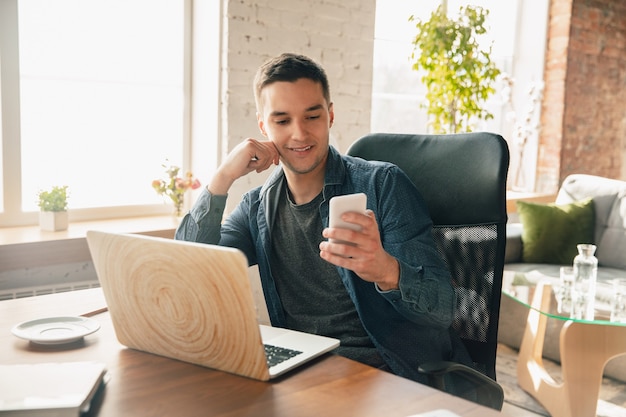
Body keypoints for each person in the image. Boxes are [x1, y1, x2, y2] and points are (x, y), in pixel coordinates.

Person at [175, 52, 472, 384]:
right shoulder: (256, 207)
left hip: (384, 372)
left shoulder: (383, 185)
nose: (299, 134)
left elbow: (444, 308)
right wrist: (222, 178)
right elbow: (189, 268)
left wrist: (386, 269)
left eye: (312, 116)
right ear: (263, 126)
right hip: (302, 372)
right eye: (282, 120)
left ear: (330, 115)